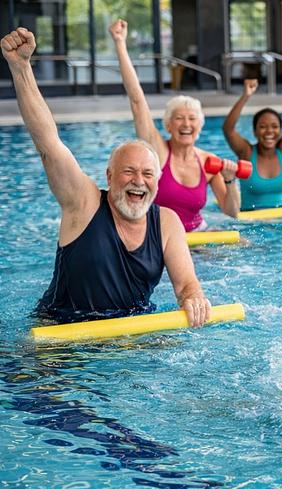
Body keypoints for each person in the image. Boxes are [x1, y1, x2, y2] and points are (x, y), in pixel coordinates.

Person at [2, 27, 211, 325]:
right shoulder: (84, 203)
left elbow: (186, 284)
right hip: (64, 334)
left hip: (130, 333)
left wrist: (193, 299)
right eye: (129, 171)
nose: (139, 180)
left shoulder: (166, 222)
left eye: (148, 174)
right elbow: (49, 145)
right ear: (109, 176)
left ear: (157, 180)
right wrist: (20, 67)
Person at [110, 19, 240, 232]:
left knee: (245, 248)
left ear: (200, 126)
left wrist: (230, 181)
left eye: (192, 119)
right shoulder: (159, 152)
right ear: (168, 126)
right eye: (179, 118)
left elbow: (232, 212)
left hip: (198, 234)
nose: (186, 124)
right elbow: (137, 101)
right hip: (162, 236)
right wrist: (120, 43)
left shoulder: (209, 162)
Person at [221, 76, 282, 211]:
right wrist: (245, 95)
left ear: (280, 131)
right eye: (263, 127)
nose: (269, 131)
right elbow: (228, 129)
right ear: (255, 132)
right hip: (251, 222)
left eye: (275, 126)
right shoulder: (246, 152)